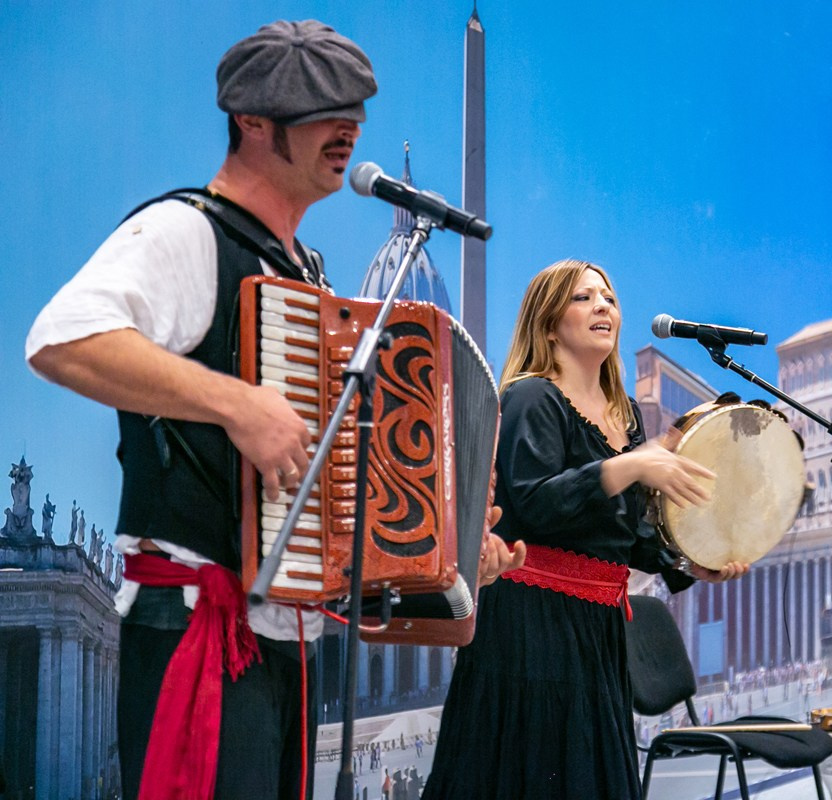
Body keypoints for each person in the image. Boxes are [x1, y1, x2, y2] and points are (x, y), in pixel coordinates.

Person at [26, 20, 521, 800]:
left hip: (290, 647)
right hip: (199, 630)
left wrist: (446, 558)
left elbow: (339, 503)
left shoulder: (308, 280)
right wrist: (234, 402)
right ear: (253, 123)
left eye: (355, 106)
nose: (349, 126)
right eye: (322, 108)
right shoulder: (187, 231)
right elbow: (62, 338)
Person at [421, 259, 748, 800]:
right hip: (532, 626)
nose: (603, 306)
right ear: (549, 325)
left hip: (597, 630)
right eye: (583, 298)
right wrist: (633, 465)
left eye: (610, 298)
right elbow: (537, 500)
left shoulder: (625, 417)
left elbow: (628, 536)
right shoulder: (531, 397)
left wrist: (690, 563)